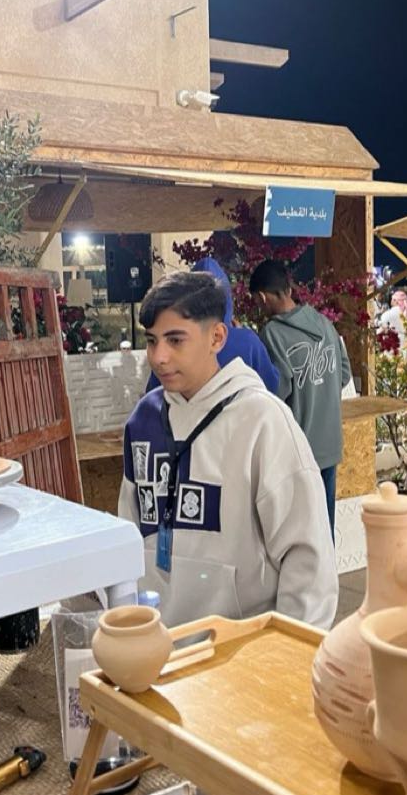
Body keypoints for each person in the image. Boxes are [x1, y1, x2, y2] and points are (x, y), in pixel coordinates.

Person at [119, 271, 337, 629]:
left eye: (175, 340)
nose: (159, 357)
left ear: (217, 337)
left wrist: (291, 651)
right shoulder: (143, 420)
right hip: (157, 641)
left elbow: (308, 559)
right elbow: (129, 526)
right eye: (152, 341)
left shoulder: (263, 421)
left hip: (242, 648)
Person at [248, 260, 351, 536]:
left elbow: (276, 393)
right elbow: (343, 374)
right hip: (330, 444)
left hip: (299, 451)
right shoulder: (324, 323)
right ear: (289, 289)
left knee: (300, 537)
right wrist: (320, 391)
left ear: (262, 297)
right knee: (324, 532)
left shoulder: (272, 334)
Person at [145, 257, 279, 394]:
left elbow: (154, 393)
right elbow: (271, 386)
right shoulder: (248, 342)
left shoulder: (166, 353)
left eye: (175, 340)